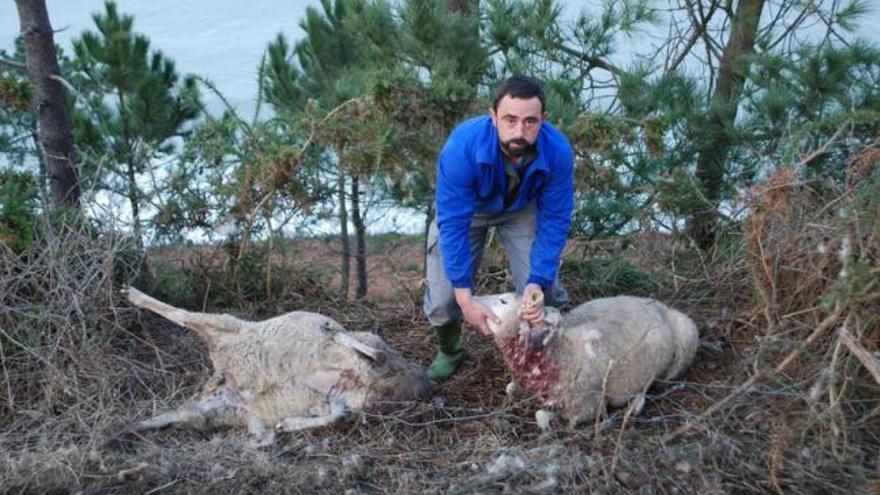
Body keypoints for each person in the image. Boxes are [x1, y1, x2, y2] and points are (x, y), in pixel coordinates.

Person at [423, 75, 575, 381]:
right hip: (470, 211)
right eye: (510, 119)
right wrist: (465, 300)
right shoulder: (461, 147)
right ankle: (450, 352)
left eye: (530, 122)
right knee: (443, 295)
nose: (519, 131)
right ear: (493, 117)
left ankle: (554, 351)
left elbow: (555, 219)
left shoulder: (557, 150)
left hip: (521, 208)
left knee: (545, 291)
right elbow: (452, 225)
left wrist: (537, 280)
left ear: (543, 119)